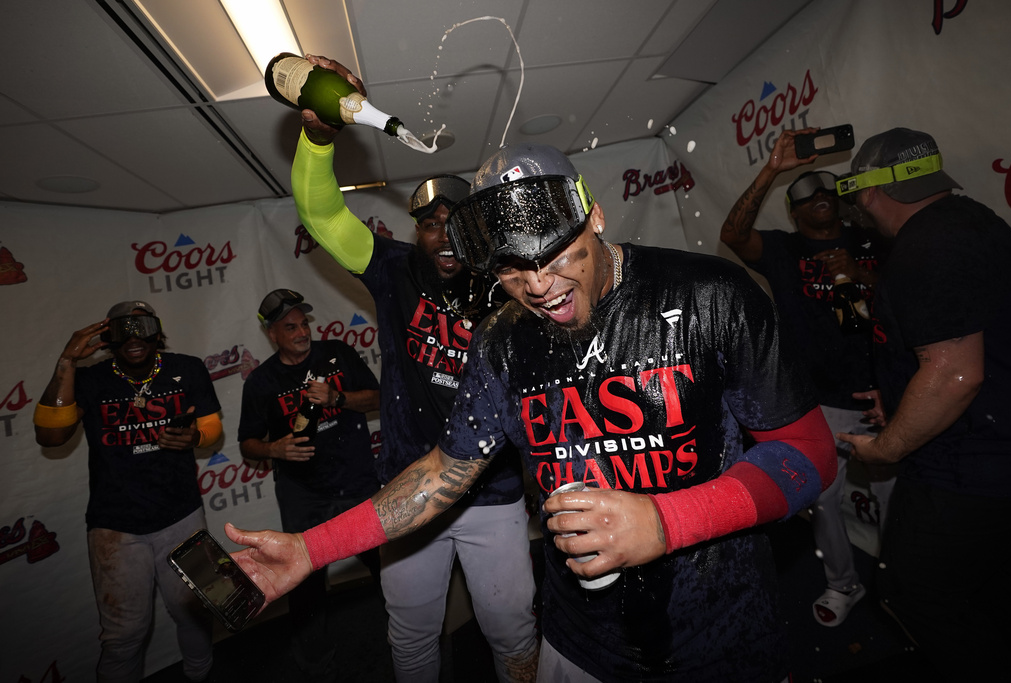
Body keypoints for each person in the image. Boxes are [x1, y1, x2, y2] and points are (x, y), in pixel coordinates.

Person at [226, 141, 837, 682]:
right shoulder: (501, 338)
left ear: (595, 216)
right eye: (514, 269)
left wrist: (665, 521)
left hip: (722, 632)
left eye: (556, 255)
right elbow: (443, 471)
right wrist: (311, 549)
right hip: (580, 641)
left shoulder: (709, 295)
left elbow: (809, 455)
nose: (540, 285)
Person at [287, 55, 538, 683]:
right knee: (412, 634)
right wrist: (320, 138)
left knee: (513, 631)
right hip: (404, 492)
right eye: (430, 224)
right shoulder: (393, 268)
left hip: (494, 494)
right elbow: (321, 217)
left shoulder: (510, 283)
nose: (443, 235)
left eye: (457, 223)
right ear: (415, 231)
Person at [834, 127, 1011, 680]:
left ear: (868, 190)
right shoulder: (975, 222)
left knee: (912, 592)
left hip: (970, 467)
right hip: (1001, 452)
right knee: (996, 589)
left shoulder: (928, 246)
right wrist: (898, 391)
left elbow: (956, 374)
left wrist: (886, 448)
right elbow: (964, 344)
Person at [720, 128, 894, 627]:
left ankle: (901, 585)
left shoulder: (871, 240)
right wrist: (773, 168)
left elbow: (912, 294)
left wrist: (864, 276)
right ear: (793, 212)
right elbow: (733, 234)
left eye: (826, 191)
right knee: (822, 499)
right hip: (817, 401)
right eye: (805, 196)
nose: (818, 198)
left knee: (893, 504)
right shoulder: (784, 250)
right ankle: (844, 584)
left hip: (882, 395)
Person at [33, 301, 222, 683]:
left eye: (143, 326)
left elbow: (211, 428)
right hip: (116, 527)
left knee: (197, 609)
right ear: (106, 337)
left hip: (182, 515)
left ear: (157, 331)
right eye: (122, 329)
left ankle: (200, 675)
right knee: (124, 636)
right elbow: (50, 436)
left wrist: (195, 437)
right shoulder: (90, 379)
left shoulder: (187, 368)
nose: (134, 337)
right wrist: (68, 361)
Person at [238, 288, 382, 682]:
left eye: (304, 323)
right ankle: (315, 665)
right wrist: (274, 448)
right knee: (306, 586)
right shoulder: (262, 382)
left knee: (391, 568)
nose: (302, 332)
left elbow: (376, 398)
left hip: (357, 483)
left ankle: (407, 639)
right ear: (272, 334)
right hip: (305, 495)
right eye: (290, 326)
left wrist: (338, 396)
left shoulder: (337, 353)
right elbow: (247, 443)